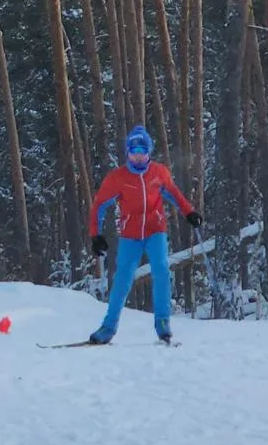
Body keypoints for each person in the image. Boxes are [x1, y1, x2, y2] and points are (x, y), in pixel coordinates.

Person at [86, 126, 201, 344]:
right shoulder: (118, 178)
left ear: (149, 153)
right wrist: (96, 235)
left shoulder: (159, 173)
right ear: (127, 153)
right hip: (130, 234)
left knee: (161, 270)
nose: (138, 157)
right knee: (122, 280)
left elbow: (174, 194)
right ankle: (108, 328)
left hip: (155, 229)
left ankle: (163, 323)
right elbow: (99, 205)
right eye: (133, 152)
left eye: (143, 152)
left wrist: (189, 212)